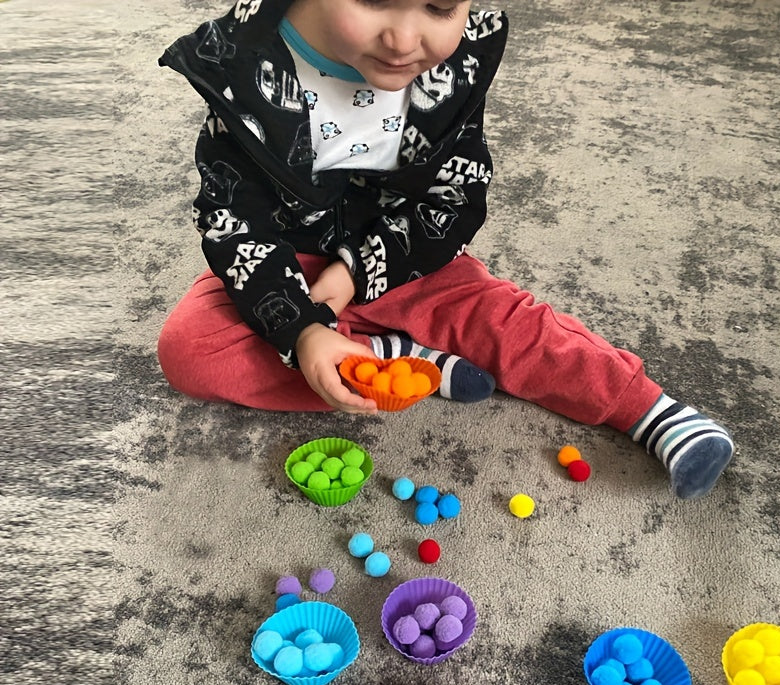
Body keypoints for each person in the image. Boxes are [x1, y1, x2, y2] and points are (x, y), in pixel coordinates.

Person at [157, 0, 734, 499]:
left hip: (406, 257)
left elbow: (454, 196)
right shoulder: (240, 70)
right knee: (189, 349)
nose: (405, 41)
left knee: (506, 322)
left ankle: (650, 412)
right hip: (286, 267)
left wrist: (362, 271)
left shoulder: (452, 71)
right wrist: (304, 332)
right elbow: (234, 224)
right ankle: (391, 357)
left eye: (440, 9)